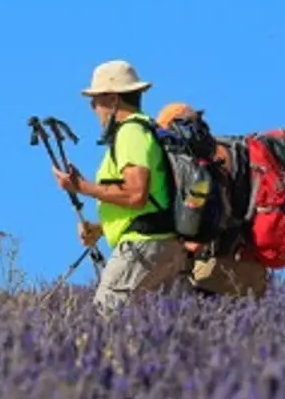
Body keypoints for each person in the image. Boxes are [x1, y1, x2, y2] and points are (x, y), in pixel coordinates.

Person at [51, 61, 189, 312]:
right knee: (160, 329)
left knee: (105, 320)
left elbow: (136, 194)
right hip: (163, 245)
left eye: (96, 100)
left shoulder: (131, 133)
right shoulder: (146, 130)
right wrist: (101, 228)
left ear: (113, 99)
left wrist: (81, 186)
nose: (93, 108)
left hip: (142, 248)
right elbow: (150, 202)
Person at [155, 101, 271, 301]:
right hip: (251, 272)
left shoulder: (197, 167)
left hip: (212, 274)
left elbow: (200, 222)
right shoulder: (236, 154)